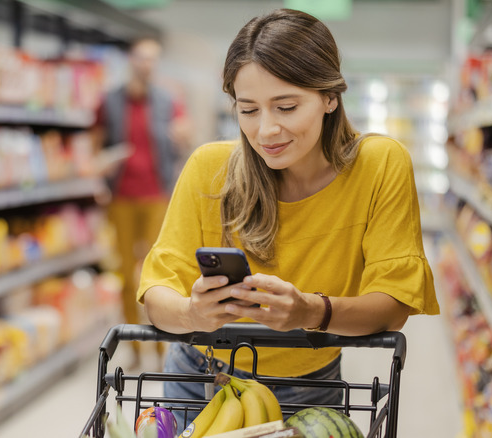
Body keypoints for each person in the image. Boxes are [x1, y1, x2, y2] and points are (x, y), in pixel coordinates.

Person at [137, 8, 440, 430]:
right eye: (249, 110)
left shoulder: (379, 165)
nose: (266, 131)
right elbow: (156, 293)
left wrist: (309, 312)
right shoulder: (209, 169)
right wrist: (193, 314)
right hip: (198, 380)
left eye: (286, 106)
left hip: (309, 389)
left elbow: (393, 307)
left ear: (330, 97)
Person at [100, 37, 190, 366]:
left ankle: (161, 345)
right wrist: (101, 167)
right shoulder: (110, 100)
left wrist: (182, 136)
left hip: (157, 196)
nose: (146, 64)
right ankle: (135, 346)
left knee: (158, 274)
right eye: (141, 58)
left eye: (153, 59)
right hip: (121, 196)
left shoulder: (168, 100)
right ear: (131, 61)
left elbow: (184, 136)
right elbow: (97, 142)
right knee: (125, 273)